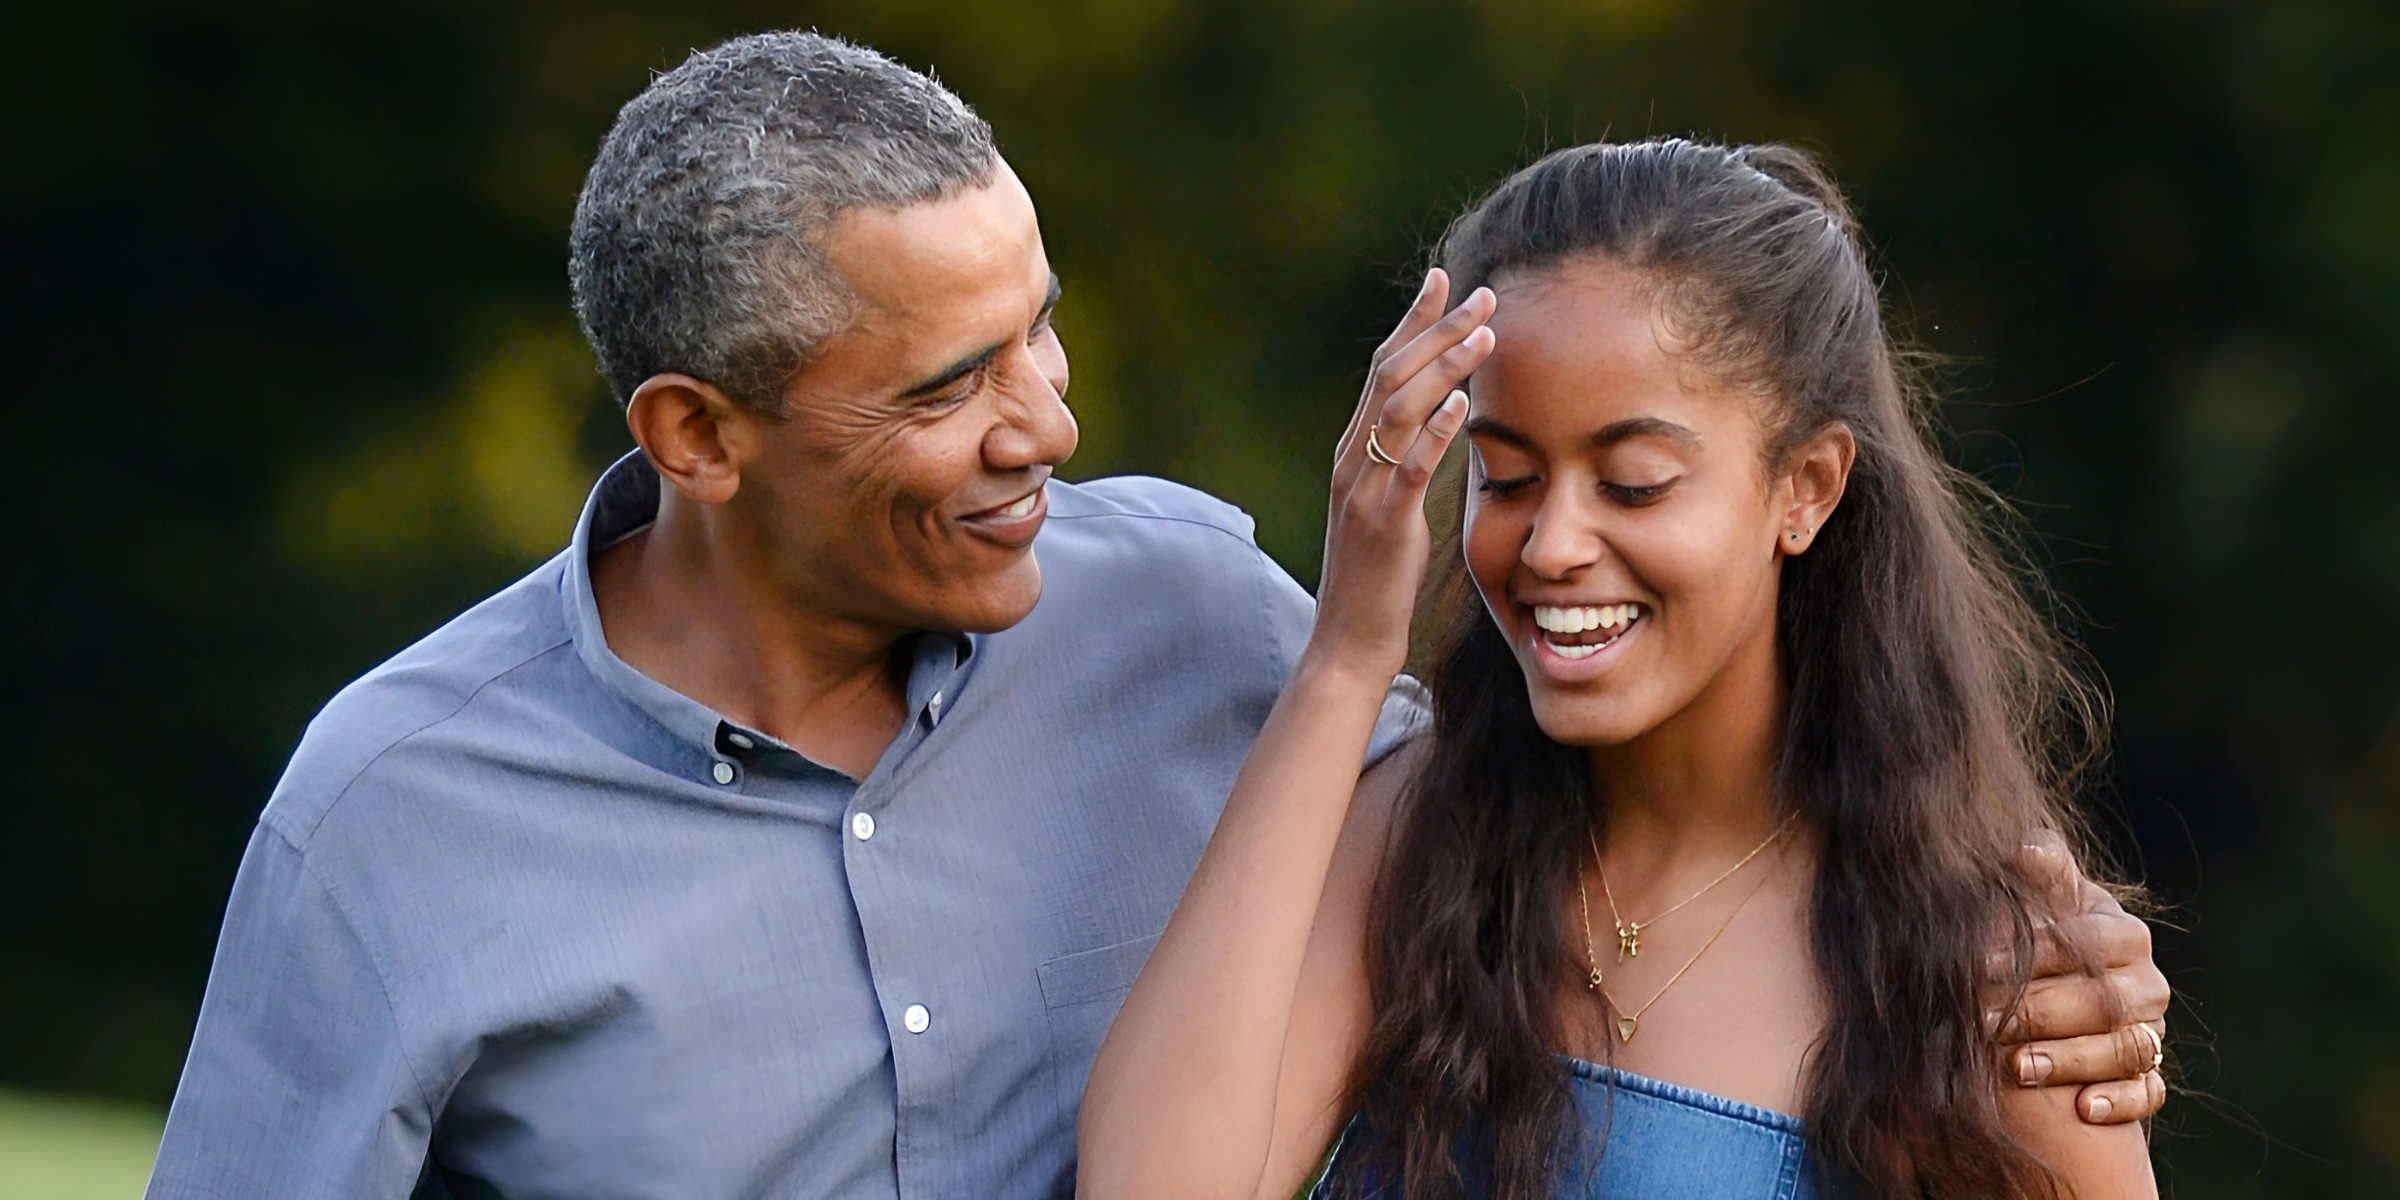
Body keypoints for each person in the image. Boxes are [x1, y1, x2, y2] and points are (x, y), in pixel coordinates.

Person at [146, 35, 2162, 1200]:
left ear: (1809, 486)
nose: (1053, 426)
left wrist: (2028, 911)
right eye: (948, 387)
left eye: (1040, 332)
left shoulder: (1191, 610)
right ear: (700, 434)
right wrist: (1361, 648)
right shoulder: (402, 812)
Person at [1079, 140, 2166, 1199]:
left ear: (1808, 487)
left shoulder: (1977, 961)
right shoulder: (1417, 830)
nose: (1552, 544)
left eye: (1635, 484)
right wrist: (1345, 661)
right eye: (1504, 480)